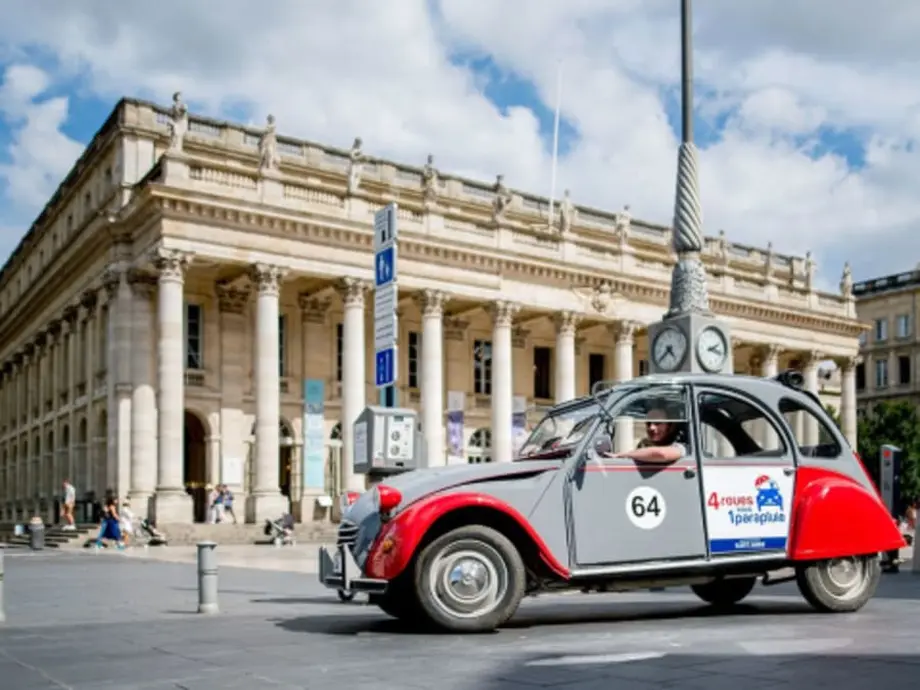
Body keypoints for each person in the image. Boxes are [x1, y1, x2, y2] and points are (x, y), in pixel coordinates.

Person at [603, 404, 687, 464]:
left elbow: (661, 454)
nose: (651, 427)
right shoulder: (643, 444)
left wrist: (622, 455)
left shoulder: (680, 446)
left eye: (657, 423)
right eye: (648, 423)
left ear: (669, 426)